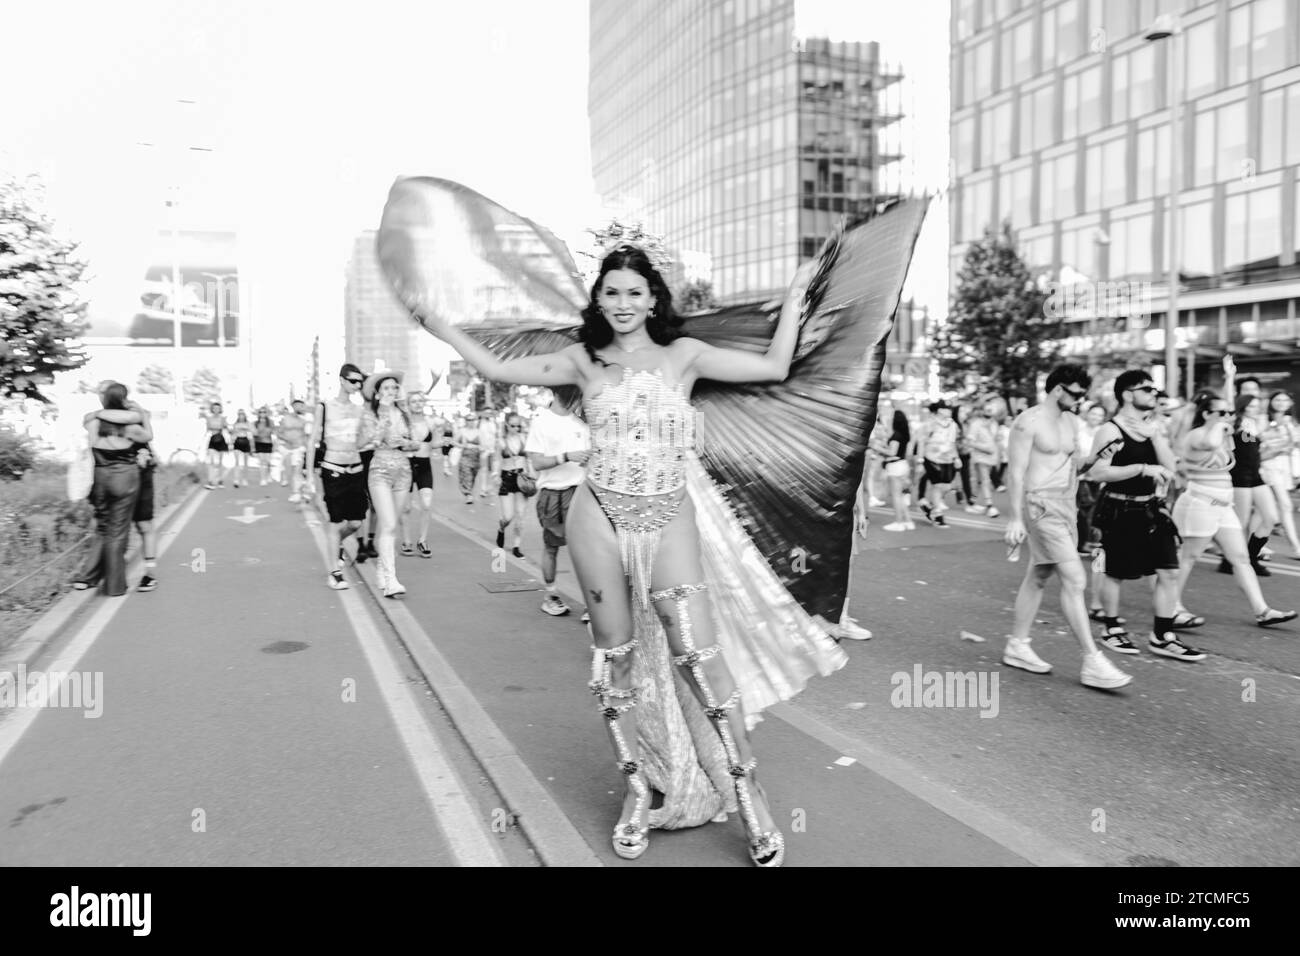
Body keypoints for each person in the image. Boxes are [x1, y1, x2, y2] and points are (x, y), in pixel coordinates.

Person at [420, 243, 844, 866]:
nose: (622, 304)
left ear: (652, 299)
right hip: (599, 517)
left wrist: (799, 289)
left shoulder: (684, 355)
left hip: (669, 513)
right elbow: (500, 369)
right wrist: (440, 324)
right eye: (611, 292)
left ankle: (748, 794)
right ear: (599, 299)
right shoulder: (581, 362)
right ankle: (639, 787)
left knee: (699, 659)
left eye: (633, 293)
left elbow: (777, 366)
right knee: (613, 658)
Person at [1001, 365, 1132, 689]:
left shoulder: (1071, 421)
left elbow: (1074, 465)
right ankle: (1092, 660)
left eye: (1082, 395)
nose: (1079, 401)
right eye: (1075, 394)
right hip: (1039, 505)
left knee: (1039, 574)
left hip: (1066, 504)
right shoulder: (1028, 422)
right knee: (1075, 579)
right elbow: (1015, 473)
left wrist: (1099, 456)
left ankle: (1017, 645)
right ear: (1058, 389)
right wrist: (1016, 518)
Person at [1087, 370, 1204, 661]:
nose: (1154, 393)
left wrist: (1155, 436)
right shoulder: (1110, 431)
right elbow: (1097, 472)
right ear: (1128, 394)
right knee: (1115, 573)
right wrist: (1141, 468)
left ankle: (1162, 636)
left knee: (1169, 571)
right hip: (1119, 507)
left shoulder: (1153, 429)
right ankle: (1112, 628)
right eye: (1147, 389)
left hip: (1152, 508)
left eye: (1154, 389)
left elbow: (1169, 466)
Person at [1171, 392, 1296, 628]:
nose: (1229, 416)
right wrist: (1221, 425)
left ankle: (1262, 610)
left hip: (1223, 506)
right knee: (1188, 557)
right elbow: (1209, 444)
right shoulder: (1198, 435)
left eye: (1230, 413)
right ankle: (1171, 607)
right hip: (1200, 504)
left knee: (1241, 558)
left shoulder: (1223, 434)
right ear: (1206, 414)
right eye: (1222, 413)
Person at [73, 383, 153, 597]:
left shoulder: (93, 422)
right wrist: (142, 413)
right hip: (125, 477)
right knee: (118, 532)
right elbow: (148, 436)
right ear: (123, 400)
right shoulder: (131, 427)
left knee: (103, 526)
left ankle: (89, 576)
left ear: (105, 399)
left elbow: (88, 419)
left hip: (100, 476)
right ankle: (115, 586)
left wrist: (101, 412)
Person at [525, 386, 592, 617]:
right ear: (555, 391)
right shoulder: (541, 421)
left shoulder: (582, 423)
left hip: (580, 491)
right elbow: (536, 463)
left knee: (586, 550)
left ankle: (591, 605)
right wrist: (566, 456)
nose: (575, 395)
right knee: (552, 547)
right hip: (552, 493)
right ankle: (551, 595)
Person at [358, 371, 419, 598]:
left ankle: (383, 574)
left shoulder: (403, 413)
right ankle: (391, 579)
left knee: (390, 526)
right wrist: (383, 413)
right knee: (390, 523)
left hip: (403, 470)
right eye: (386, 389)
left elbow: (416, 443)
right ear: (377, 393)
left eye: (394, 388)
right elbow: (370, 440)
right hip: (380, 470)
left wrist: (405, 442)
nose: (391, 392)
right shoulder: (370, 414)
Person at [313, 363, 368, 589]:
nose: (357, 385)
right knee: (335, 523)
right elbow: (312, 441)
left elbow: (360, 442)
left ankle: (338, 546)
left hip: (355, 469)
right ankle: (335, 573)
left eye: (360, 382)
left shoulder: (359, 410)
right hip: (332, 469)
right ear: (342, 380)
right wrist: (308, 477)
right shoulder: (325, 406)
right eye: (353, 381)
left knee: (355, 523)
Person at [1259, 391, 1299, 560]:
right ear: (1271, 402)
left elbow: (1295, 445)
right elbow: (1259, 439)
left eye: (1285, 399)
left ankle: (1257, 544)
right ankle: (1296, 547)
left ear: (1290, 403)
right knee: (1285, 505)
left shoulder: (1293, 421)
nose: (1281, 402)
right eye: (1277, 399)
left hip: (1285, 466)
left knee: (1264, 510)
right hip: (1268, 464)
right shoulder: (1264, 419)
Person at [912, 399, 959, 526]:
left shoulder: (952, 424)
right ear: (939, 410)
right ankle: (938, 515)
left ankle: (926, 505)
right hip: (931, 458)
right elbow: (921, 442)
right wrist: (921, 461)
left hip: (948, 459)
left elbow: (952, 443)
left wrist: (956, 458)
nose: (950, 411)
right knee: (938, 486)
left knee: (947, 486)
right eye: (947, 408)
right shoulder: (929, 424)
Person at [401, 390, 436, 559]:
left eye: (420, 401)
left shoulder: (430, 422)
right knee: (406, 507)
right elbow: (397, 443)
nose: (417, 404)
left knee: (427, 504)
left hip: (424, 466)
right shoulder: (404, 422)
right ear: (408, 404)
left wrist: (442, 442)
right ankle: (406, 541)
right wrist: (409, 444)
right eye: (413, 401)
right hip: (406, 465)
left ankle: (422, 540)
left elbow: (434, 443)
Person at [495, 412, 530, 558]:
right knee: (508, 517)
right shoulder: (501, 441)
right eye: (513, 425)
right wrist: (495, 476)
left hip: (522, 479)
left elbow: (529, 460)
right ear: (507, 425)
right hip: (507, 478)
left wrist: (532, 476)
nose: (516, 428)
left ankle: (516, 546)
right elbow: (496, 460)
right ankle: (501, 528)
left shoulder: (524, 439)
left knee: (520, 515)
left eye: (518, 425)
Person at [964, 398, 1001, 517]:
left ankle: (971, 502)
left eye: (992, 408)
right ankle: (990, 505)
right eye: (987, 408)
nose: (990, 410)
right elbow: (969, 442)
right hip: (979, 457)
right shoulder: (976, 424)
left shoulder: (995, 424)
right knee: (986, 481)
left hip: (991, 458)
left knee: (980, 483)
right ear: (982, 410)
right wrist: (984, 448)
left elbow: (995, 441)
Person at [881, 409, 914, 531]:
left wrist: (878, 448)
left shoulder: (896, 436)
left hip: (895, 467)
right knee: (900, 496)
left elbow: (892, 452)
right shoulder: (904, 435)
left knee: (896, 496)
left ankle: (899, 522)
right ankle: (908, 521)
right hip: (903, 464)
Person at [277, 398, 311, 502]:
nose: (301, 408)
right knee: (289, 472)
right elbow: (279, 433)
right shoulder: (285, 419)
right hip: (287, 449)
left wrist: (307, 448)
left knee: (298, 471)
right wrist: (287, 440)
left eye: (302, 406)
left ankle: (299, 493)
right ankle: (298, 491)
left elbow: (307, 436)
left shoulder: (305, 420)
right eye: (299, 406)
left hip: (299, 448)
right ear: (294, 406)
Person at [456, 413, 482, 505]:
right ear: (466, 421)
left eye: (472, 420)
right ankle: (468, 494)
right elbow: (454, 442)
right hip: (465, 456)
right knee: (467, 475)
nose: (471, 422)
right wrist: (462, 445)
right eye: (469, 420)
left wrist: (480, 447)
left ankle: (469, 491)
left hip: (476, 457)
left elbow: (485, 444)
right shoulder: (462, 431)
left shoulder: (479, 432)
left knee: (473, 476)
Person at [202, 402, 229, 489]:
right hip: (212, 439)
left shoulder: (223, 419)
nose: (216, 410)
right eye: (214, 408)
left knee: (219, 462)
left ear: (220, 409)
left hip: (220, 439)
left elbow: (226, 429)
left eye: (218, 408)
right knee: (211, 462)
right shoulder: (209, 419)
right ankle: (211, 481)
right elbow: (207, 430)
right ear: (212, 409)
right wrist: (203, 441)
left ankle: (220, 480)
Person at [477, 411, 499, 498]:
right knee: (483, 469)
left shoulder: (494, 423)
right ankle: (483, 489)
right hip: (483, 449)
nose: (488, 415)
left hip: (492, 449)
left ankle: (489, 488)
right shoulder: (480, 423)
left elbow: (496, 435)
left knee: (492, 470)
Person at [253, 409, 276, 485]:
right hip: (259, 443)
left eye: (264, 412)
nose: (262, 413)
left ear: (266, 413)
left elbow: (273, 432)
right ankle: (263, 479)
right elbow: (254, 433)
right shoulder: (256, 423)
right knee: (262, 461)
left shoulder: (270, 422)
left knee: (268, 461)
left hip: (268, 443)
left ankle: (269, 475)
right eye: (260, 412)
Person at [230, 410, 253, 487]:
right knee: (237, 462)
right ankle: (236, 479)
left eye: (242, 415)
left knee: (245, 462)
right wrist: (231, 443)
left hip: (245, 441)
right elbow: (233, 434)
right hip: (238, 441)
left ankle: (245, 479)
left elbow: (251, 433)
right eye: (240, 415)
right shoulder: (236, 424)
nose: (241, 416)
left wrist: (252, 446)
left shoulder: (248, 424)